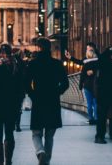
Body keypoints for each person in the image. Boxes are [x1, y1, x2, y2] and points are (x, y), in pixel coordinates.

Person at [25, 37, 69, 165]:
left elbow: (26, 83)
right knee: (50, 135)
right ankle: (46, 160)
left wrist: (32, 95)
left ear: (38, 48)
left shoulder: (33, 64)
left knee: (36, 133)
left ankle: (40, 152)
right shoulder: (57, 63)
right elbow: (65, 84)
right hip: (53, 101)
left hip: (38, 101)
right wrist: (57, 92)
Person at [0, 43, 24, 165]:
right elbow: (21, 87)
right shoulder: (15, 66)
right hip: (11, 106)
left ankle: (0, 163)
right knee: (9, 133)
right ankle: (8, 161)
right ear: (10, 53)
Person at [65, 43, 99, 124]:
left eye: (87, 48)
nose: (86, 49)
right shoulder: (99, 60)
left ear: (92, 49)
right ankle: (97, 119)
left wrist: (80, 85)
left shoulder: (86, 61)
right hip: (96, 84)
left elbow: (81, 68)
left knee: (89, 103)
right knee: (95, 103)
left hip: (87, 85)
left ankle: (91, 119)